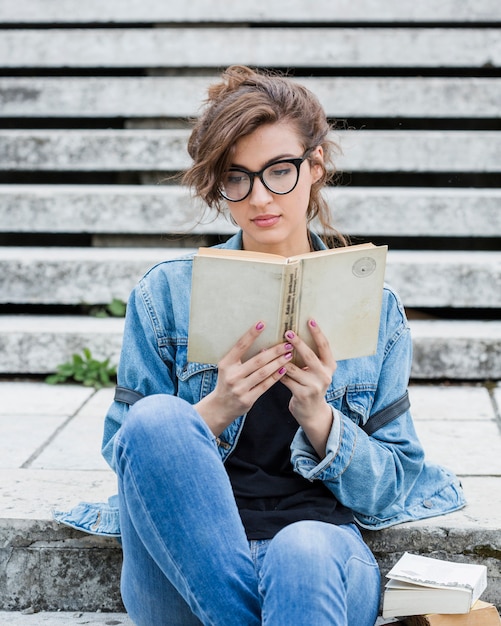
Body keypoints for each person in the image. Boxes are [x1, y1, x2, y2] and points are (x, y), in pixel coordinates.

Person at [97, 66, 466, 625]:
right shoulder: (166, 294)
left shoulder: (374, 305)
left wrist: (320, 418)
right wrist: (217, 409)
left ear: (315, 167)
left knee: (304, 547)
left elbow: (395, 481)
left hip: (320, 557)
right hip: (184, 562)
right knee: (154, 421)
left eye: (280, 171)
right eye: (237, 177)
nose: (259, 197)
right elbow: (129, 455)